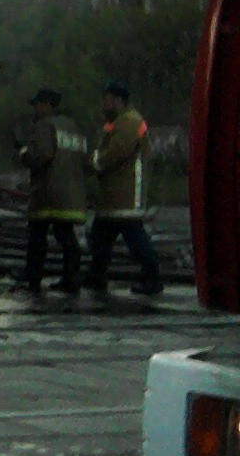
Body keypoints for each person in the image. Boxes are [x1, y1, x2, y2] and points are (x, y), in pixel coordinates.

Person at [85, 79, 163, 295]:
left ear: (118, 100)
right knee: (100, 236)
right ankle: (96, 275)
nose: (104, 104)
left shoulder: (130, 122)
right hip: (113, 194)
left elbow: (115, 152)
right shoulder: (119, 121)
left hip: (125, 193)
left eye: (107, 100)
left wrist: (92, 163)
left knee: (135, 238)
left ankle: (153, 278)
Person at [17, 87, 88, 293]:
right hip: (72, 192)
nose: (35, 109)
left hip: (48, 192)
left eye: (38, 104)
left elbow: (43, 155)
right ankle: (71, 277)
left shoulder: (44, 126)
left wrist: (24, 154)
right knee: (66, 235)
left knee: (37, 234)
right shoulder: (73, 127)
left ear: (47, 105)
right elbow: (83, 158)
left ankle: (33, 276)